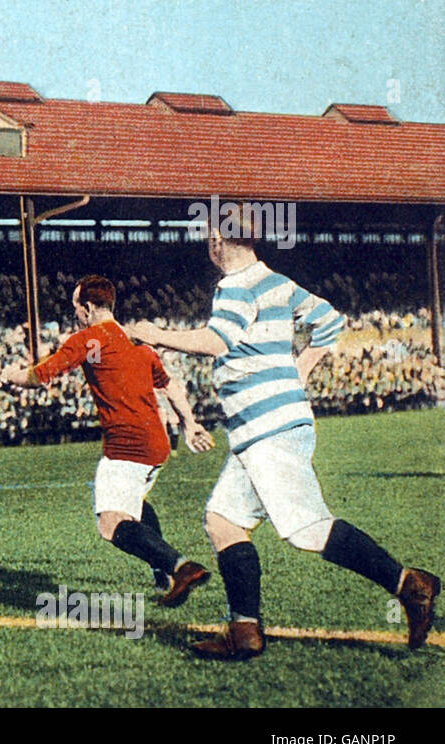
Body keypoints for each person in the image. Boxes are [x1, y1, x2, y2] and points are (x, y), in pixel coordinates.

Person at [128, 206, 439, 658]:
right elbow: (331, 321)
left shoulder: (234, 287)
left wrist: (157, 333)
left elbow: (217, 341)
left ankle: (410, 583)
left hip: (267, 429)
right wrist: (300, 370)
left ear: (218, 240)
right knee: (223, 520)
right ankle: (245, 630)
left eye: (209, 234)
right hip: (270, 426)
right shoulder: (277, 281)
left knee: (308, 529)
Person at [0, 275, 216, 606]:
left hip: (125, 447)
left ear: (87, 308)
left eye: (76, 308)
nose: (75, 314)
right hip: (156, 445)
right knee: (135, 505)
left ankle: (180, 567)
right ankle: (164, 577)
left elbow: (40, 377)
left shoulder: (86, 339)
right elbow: (170, 385)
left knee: (110, 524)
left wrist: (9, 375)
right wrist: (191, 424)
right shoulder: (137, 342)